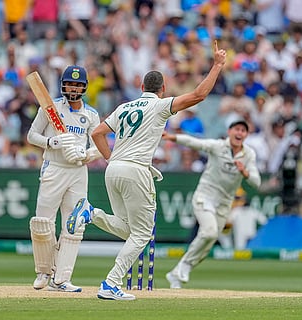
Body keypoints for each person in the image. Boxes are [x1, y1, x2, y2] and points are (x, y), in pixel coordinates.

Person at [66, 41, 228, 300]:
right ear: (162, 90)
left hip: (114, 170)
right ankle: (110, 283)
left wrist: (111, 159)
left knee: (127, 229)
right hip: (136, 170)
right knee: (142, 233)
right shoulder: (160, 105)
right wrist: (217, 65)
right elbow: (198, 95)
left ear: (141, 88)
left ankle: (91, 213)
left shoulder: (124, 107)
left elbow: (97, 133)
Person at [27, 65, 102, 292]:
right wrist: (51, 142)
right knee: (43, 222)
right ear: (63, 85)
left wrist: (86, 154)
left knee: (74, 225)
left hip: (78, 172)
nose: (73, 88)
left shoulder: (91, 114)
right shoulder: (51, 108)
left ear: (84, 88)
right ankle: (43, 272)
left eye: (78, 85)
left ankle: (61, 279)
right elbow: (32, 135)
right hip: (54, 168)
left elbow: (99, 144)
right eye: (70, 83)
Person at [162, 119, 261, 289]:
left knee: (208, 244)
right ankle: (183, 267)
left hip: (224, 204)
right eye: (236, 129)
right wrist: (173, 137)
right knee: (209, 232)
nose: (239, 133)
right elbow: (195, 143)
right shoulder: (218, 146)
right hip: (205, 196)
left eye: (243, 131)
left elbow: (256, 182)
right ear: (229, 131)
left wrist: (244, 172)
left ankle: (176, 274)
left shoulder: (249, 154)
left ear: (246, 135)